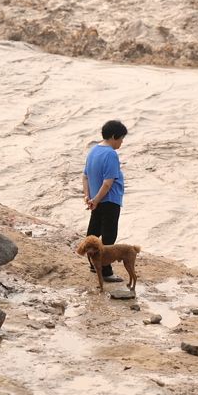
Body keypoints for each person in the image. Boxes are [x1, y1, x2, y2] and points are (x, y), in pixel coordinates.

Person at [82, 120, 128, 283]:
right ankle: (106, 271)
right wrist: (96, 199)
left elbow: (85, 176)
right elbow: (108, 182)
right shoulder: (110, 154)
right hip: (109, 200)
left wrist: (88, 197)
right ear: (114, 136)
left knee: (93, 233)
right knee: (109, 236)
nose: (121, 142)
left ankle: (94, 265)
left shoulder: (93, 151)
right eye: (121, 139)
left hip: (97, 200)